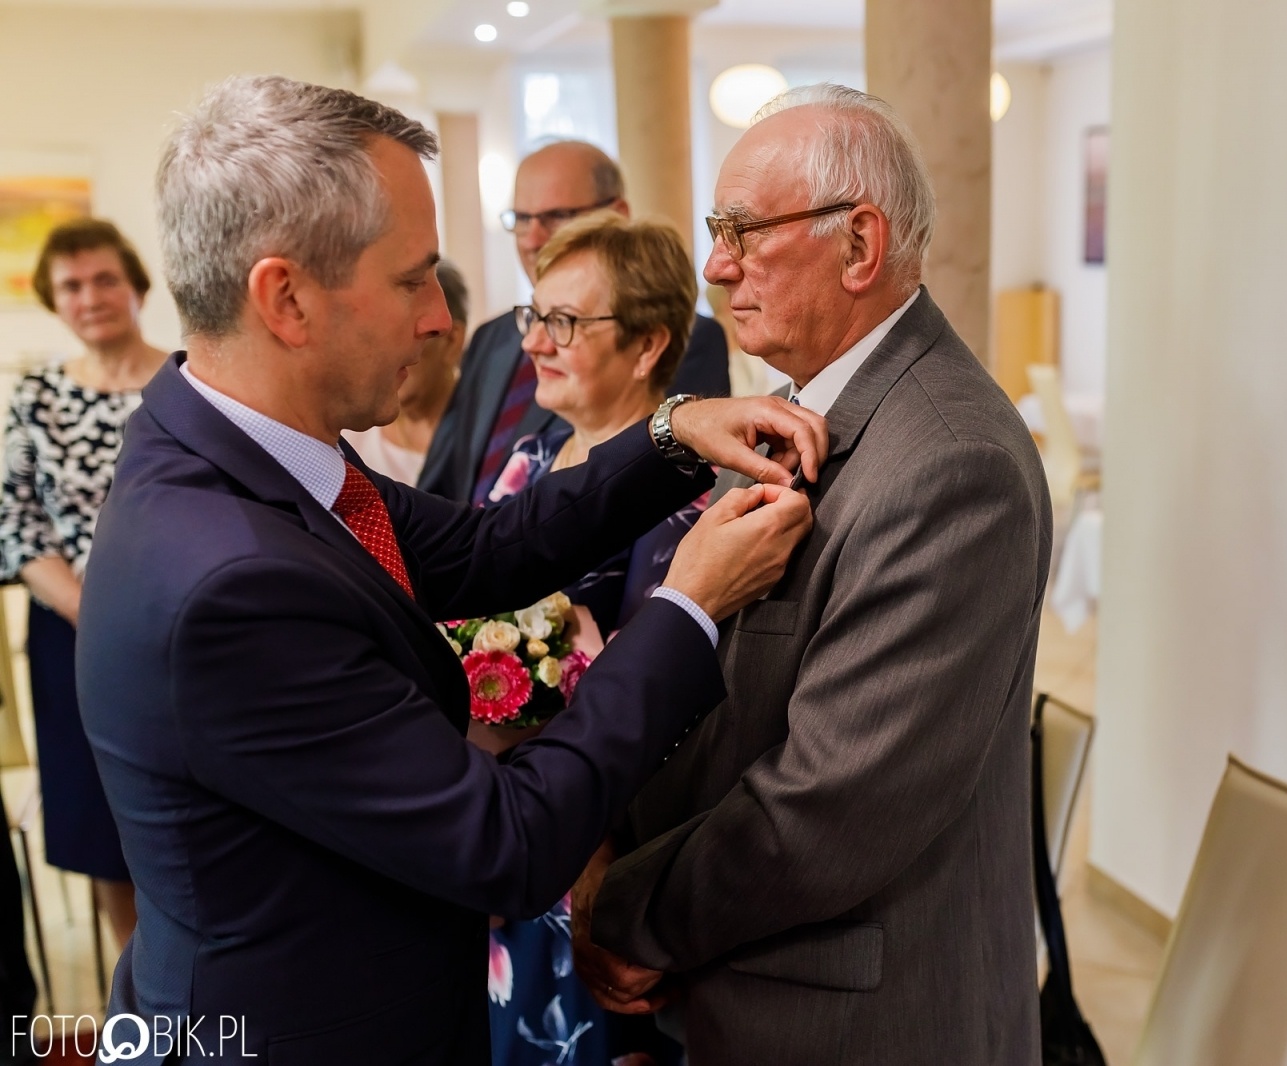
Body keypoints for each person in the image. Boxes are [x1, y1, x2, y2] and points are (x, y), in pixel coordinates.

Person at [74, 75, 823, 1064]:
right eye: (412, 278)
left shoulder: (242, 447)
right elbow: (505, 843)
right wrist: (688, 604)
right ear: (284, 297)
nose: (440, 318)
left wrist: (674, 433)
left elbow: (483, 550)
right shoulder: (230, 582)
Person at [572, 84, 1054, 1065]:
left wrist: (628, 908)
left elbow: (830, 803)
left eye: (743, 230)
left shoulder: (951, 463)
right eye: (718, 231)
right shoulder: (812, 406)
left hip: (851, 1020)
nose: (715, 265)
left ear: (859, 245)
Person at [480, 213, 706, 1066]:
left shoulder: (683, 499)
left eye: (566, 323)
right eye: (533, 316)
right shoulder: (531, 455)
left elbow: (658, 710)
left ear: (649, 345)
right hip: (506, 833)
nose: (536, 341)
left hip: (595, 857)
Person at [0, 218, 166, 951]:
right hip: (73, 637)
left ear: (135, 283)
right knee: (103, 825)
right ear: (53, 301)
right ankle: (140, 1006)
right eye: (71, 285)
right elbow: (13, 520)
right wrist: (88, 609)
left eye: (104, 278)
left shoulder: (187, 379)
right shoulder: (33, 397)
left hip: (183, 631)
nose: (90, 296)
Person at [417, 140, 732, 504]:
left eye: (556, 215)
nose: (532, 240)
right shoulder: (493, 338)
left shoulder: (688, 338)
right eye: (521, 219)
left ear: (616, 213)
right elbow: (441, 483)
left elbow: (671, 465)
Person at [343, 258, 469, 485]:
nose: (387, 352)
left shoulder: (485, 434)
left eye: (409, 332)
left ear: (452, 341)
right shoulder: (349, 437)